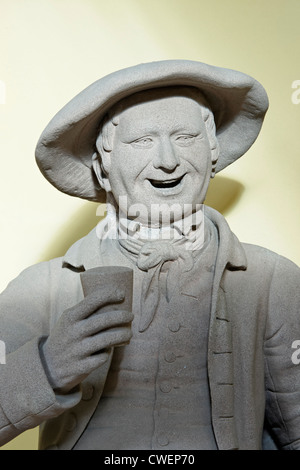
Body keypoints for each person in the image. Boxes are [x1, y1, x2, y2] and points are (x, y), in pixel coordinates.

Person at [0, 60, 299, 450]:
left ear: (212, 153)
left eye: (186, 136)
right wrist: (45, 367)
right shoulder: (44, 288)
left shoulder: (270, 280)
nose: (168, 160)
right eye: (142, 141)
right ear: (103, 168)